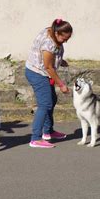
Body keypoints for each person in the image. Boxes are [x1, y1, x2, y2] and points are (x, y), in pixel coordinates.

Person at [25, 19, 72, 148]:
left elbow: (50, 57)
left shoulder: (50, 30)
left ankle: (48, 131)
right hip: (37, 73)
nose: (66, 41)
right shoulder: (48, 44)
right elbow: (48, 67)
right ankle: (35, 138)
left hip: (41, 70)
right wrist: (61, 84)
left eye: (68, 38)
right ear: (57, 33)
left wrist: (59, 60)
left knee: (52, 99)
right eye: (64, 38)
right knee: (45, 104)